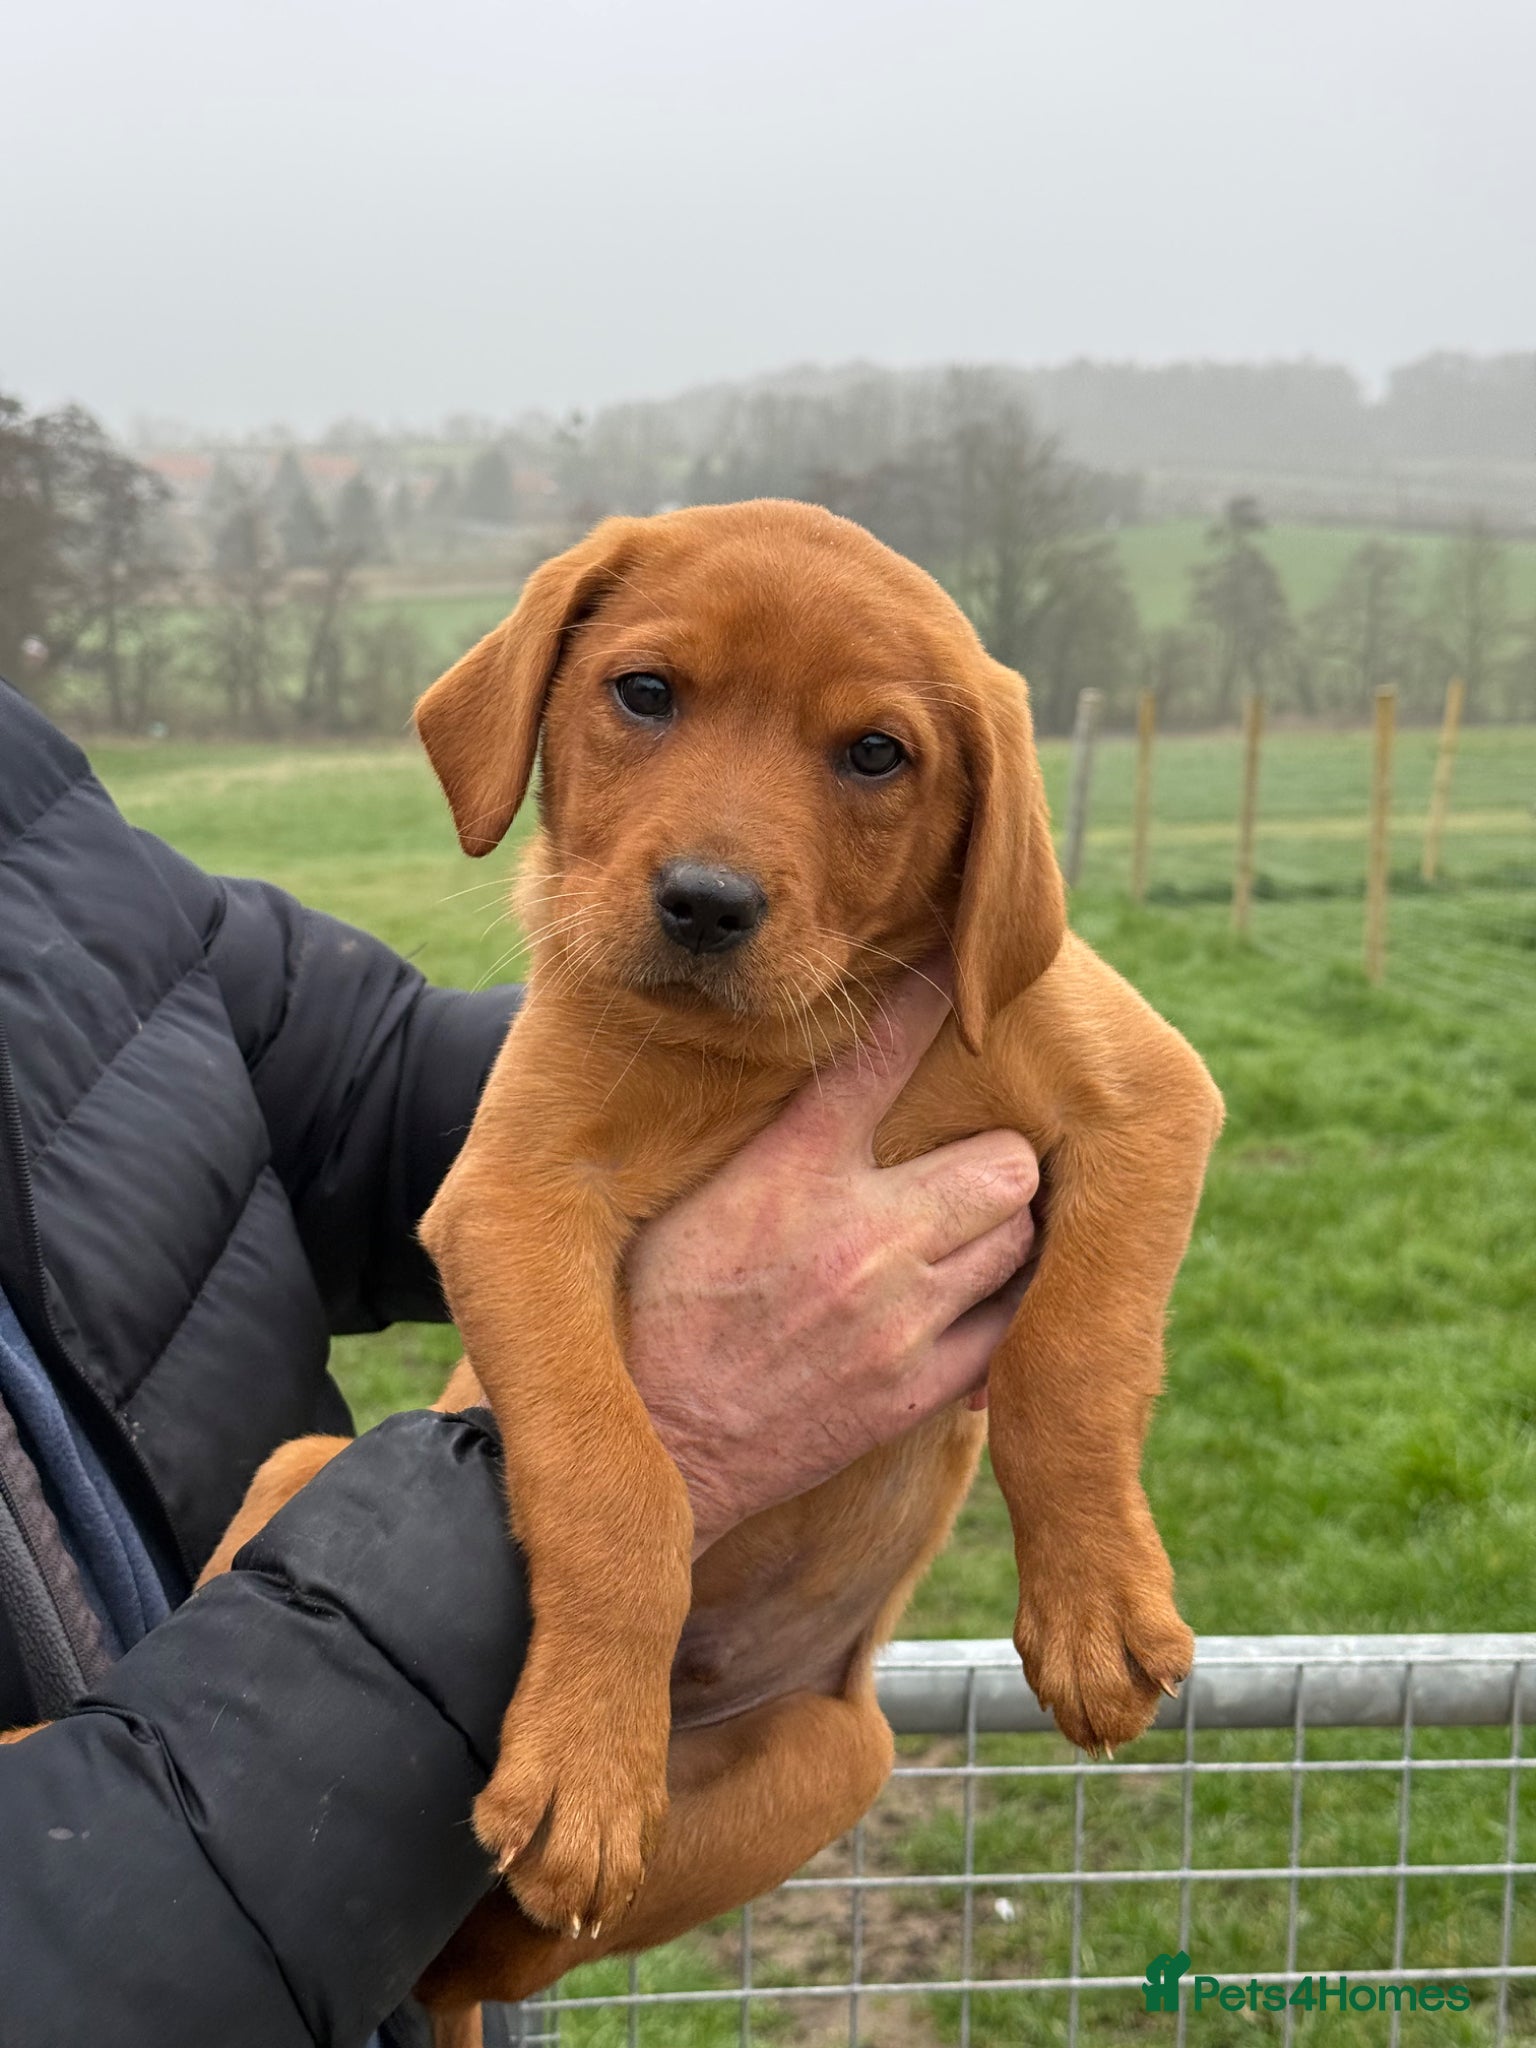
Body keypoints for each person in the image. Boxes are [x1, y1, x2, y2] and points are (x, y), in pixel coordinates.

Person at [0, 678, 1039, 2048]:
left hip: (381, 1851)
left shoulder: (16, 790)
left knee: (838, 1756)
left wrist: (769, 1083)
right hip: (291, 1809)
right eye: (649, 697)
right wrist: (654, 1450)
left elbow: (338, 1081)